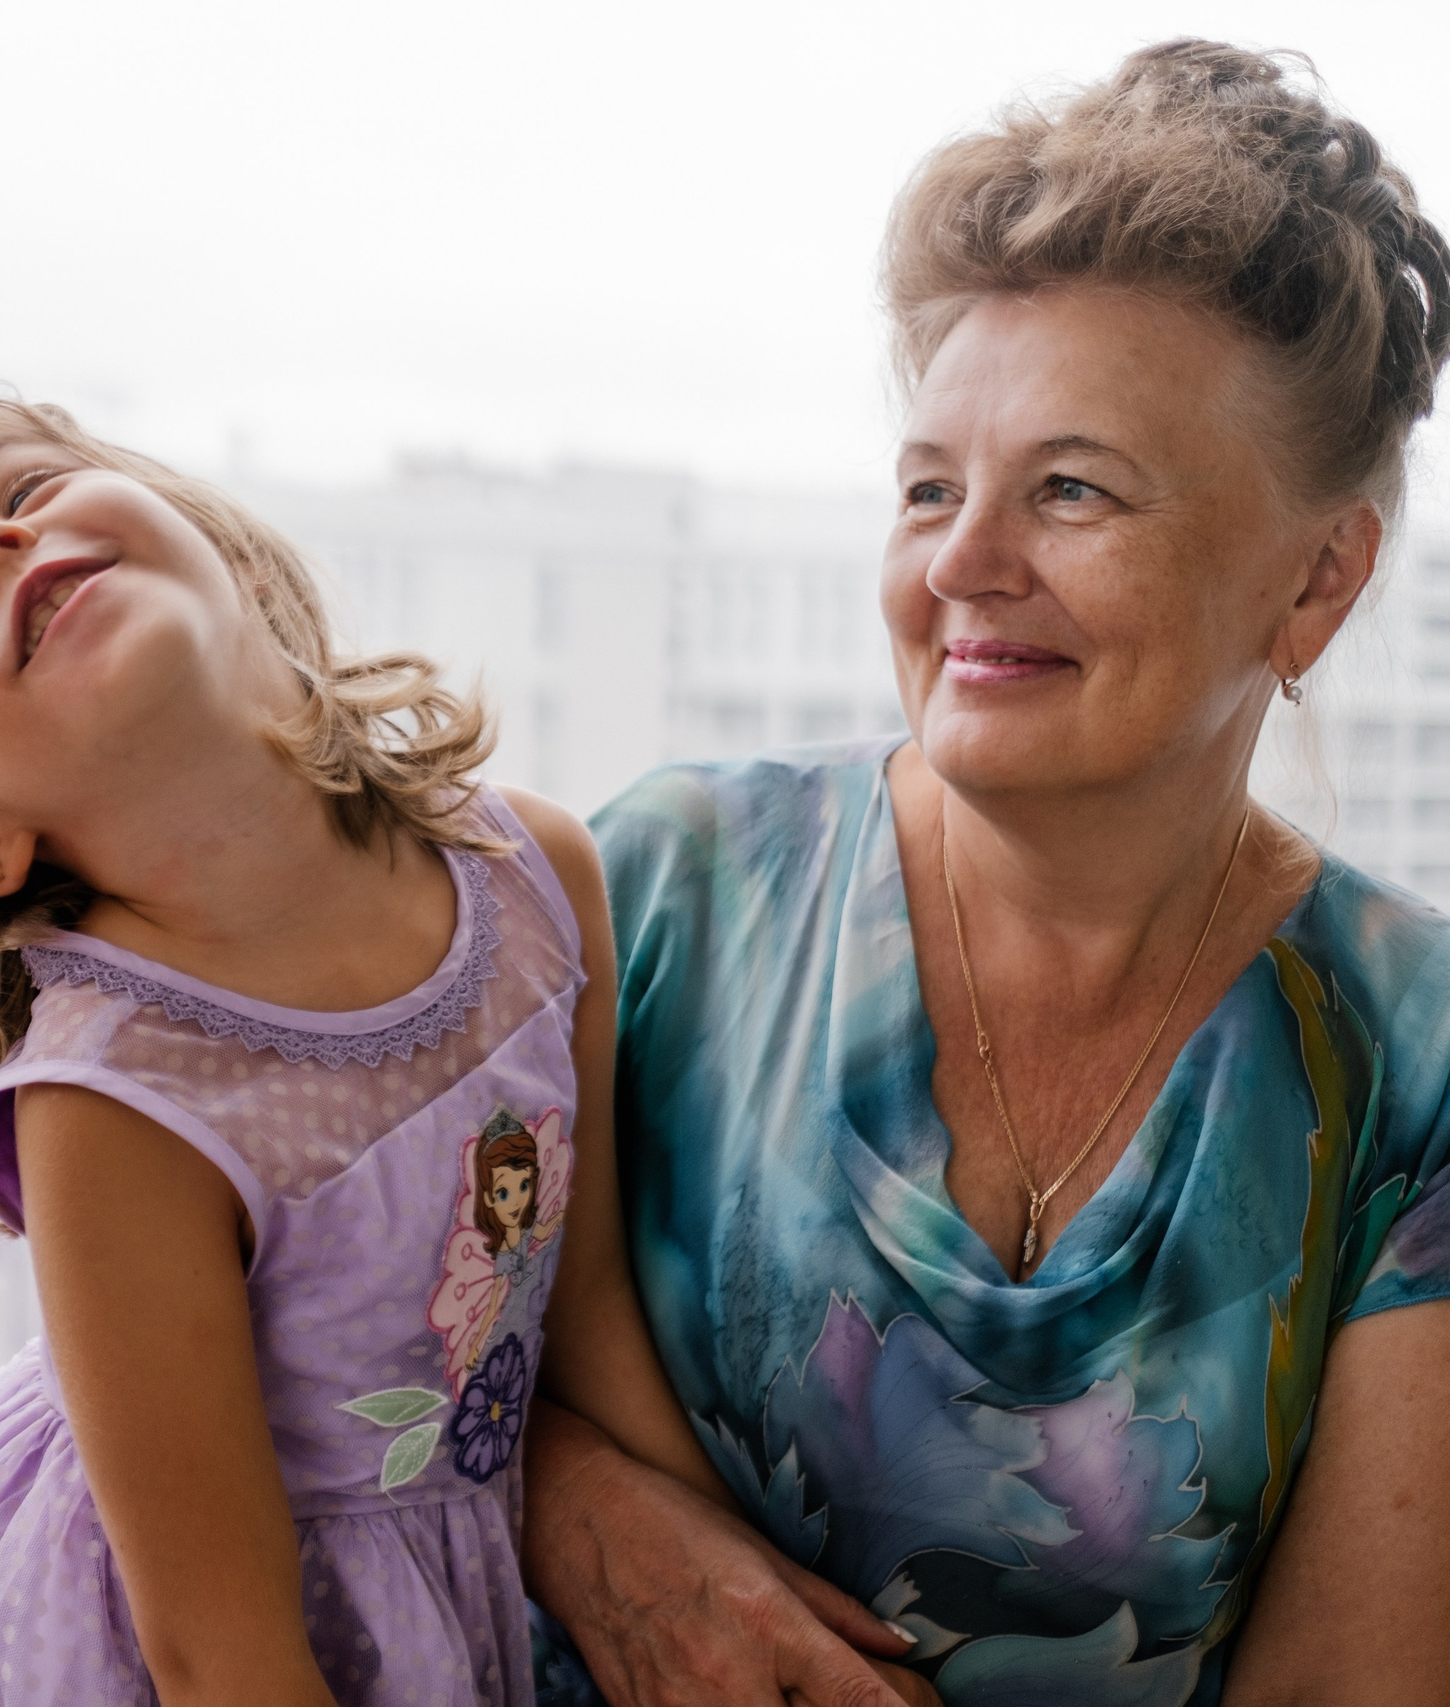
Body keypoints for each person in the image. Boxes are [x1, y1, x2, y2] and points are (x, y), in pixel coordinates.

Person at [525, 39, 1450, 1707]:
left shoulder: (1420, 1059)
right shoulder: (660, 889)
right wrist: (578, 1510)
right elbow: (348, 1375)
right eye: (929, 488)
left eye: (1072, 489)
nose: (960, 562)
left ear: (1317, 581)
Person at [0, 394, 720, 1705]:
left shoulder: (537, 873)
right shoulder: (116, 1106)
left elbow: (585, 1323)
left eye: (21, 492)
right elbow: (221, 1659)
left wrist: (745, 1603)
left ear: (218, 548)